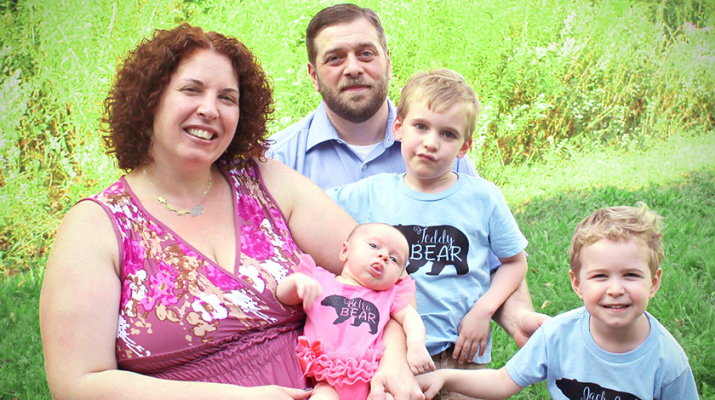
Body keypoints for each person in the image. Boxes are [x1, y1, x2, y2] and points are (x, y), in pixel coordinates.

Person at [40, 23, 423, 400]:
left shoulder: (268, 182)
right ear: (150, 98)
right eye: (191, 90)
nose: (209, 109)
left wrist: (393, 360)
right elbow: (77, 383)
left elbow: (389, 275)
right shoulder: (97, 225)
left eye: (227, 98)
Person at [267, 3, 547, 353]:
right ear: (313, 74)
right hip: (334, 353)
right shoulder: (278, 163)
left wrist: (518, 317)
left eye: (366, 53)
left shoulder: (444, 158)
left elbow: (491, 258)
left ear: (387, 59)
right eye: (335, 58)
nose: (353, 68)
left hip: (438, 353)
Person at [328, 69, 529, 400]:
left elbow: (514, 263)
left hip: (464, 356)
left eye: (448, 134)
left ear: (465, 146)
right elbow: (305, 204)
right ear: (398, 127)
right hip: (392, 356)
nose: (431, 143)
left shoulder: (483, 198)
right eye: (420, 127)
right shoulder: (370, 194)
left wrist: (484, 311)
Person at [416, 203, 700, 400]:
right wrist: (445, 378)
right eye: (600, 276)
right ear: (577, 284)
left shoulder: (667, 361)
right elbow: (504, 380)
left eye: (631, 275)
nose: (615, 289)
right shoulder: (558, 335)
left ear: (653, 283)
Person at [277, 223, 435, 399]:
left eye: (394, 259)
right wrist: (297, 282)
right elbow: (283, 297)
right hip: (326, 380)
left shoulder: (389, 297)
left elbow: (411, 318)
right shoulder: (318, 280)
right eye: (374, 246)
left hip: (372, 380)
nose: (383, 256)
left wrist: (416, 345)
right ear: (345, 251)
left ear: (398, 277)